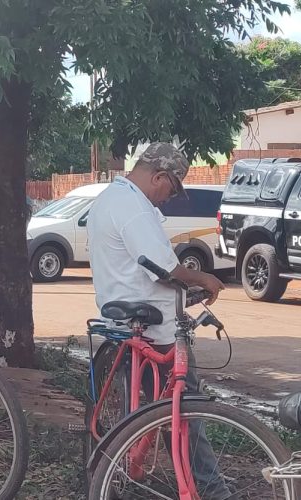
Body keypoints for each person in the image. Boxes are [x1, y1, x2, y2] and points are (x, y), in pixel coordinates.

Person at [86, 142, 228, 496]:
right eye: (171, 188)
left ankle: (124, 474)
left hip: (129, 317)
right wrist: (204, 278)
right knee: (187, 415)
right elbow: (161, 267)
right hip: (156, 326)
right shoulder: (132, 206)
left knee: (149, 412)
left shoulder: (113, 198)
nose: (168, 197)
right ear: (159, 176)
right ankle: (213, 492)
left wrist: (185, 289)